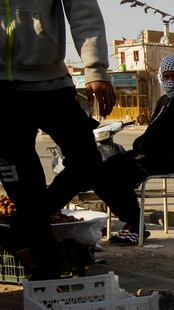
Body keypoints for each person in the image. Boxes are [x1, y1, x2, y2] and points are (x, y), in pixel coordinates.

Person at [0, 0, 115, 279]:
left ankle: (25, 222)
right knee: (23, 185)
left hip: (51, 82)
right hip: (2, 92)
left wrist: (96, 69)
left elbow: (84, 13)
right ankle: (46, 275)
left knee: (88, 161)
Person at [84, 54, 174, 245]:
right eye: (168, 76)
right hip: (144, 155)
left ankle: (134, 226)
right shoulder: (164, 101)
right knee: (98, 171)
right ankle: (132, 222)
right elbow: (152, 132)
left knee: (115, 176)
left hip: (165, 159)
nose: (172, 81)